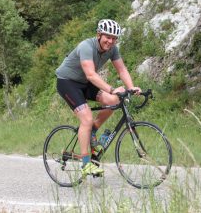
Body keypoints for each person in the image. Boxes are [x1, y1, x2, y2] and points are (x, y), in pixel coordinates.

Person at [55, 19, 141, 177]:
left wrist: (131, 87)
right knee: (86, 118)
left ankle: (92, 131)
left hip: (85, 83)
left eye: (114, 38)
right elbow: (91, 74)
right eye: (107, 37)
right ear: (99, 35)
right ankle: (86, 164)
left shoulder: (113, 49)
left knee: (114, 101)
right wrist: (112, 89)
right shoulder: (86, 47)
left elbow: (122, 70)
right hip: (67, 82)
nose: (110, 41)